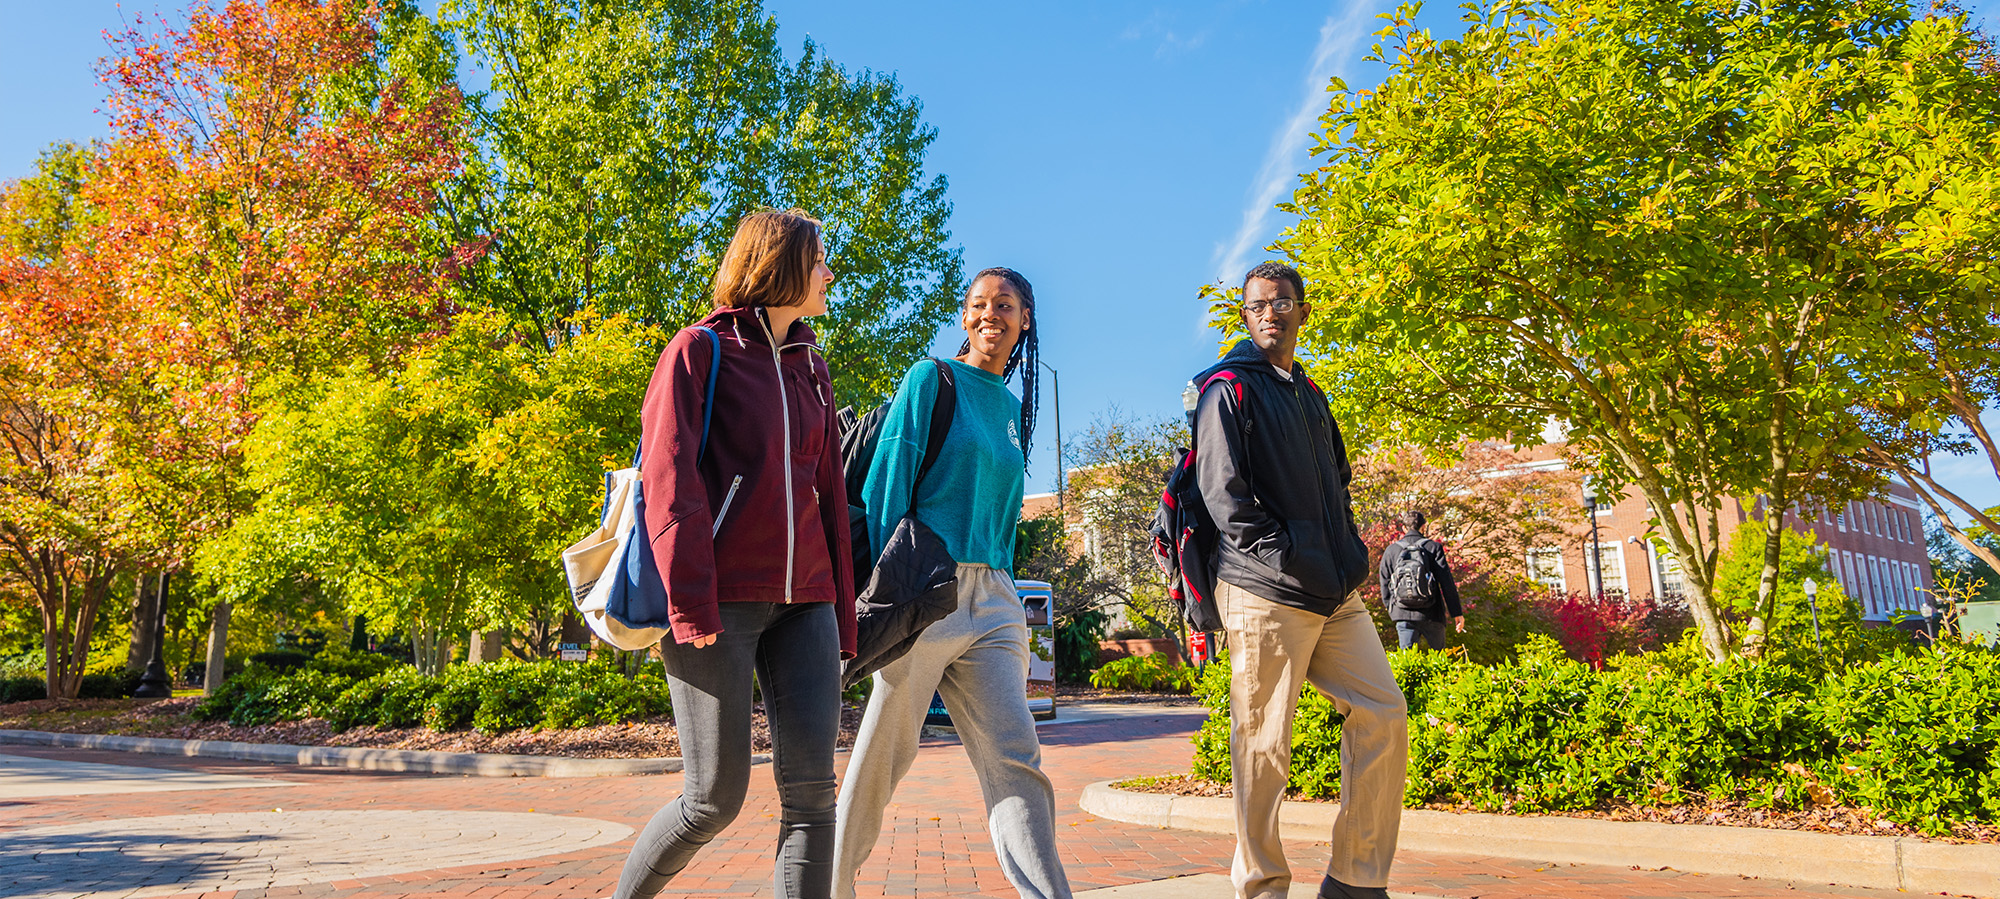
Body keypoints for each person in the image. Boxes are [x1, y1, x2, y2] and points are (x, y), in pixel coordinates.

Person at [616, 208, 857, 899]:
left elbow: (831, 498)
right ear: (778, 265)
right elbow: (669, 483)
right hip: (716, 599)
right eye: (817, 262)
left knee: (813, 797)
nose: (827, 274)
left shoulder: (812, 364)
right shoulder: (698, 350)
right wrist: (689, 601)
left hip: (805, 601)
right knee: (713, 797)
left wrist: (842, 611)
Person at [833, 267, 1071, 899]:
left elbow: (1003, 512)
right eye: (979, 304)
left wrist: (1006, 586)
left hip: (994, 598)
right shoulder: (929, 379)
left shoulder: (1012, 409)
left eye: (1006, 305)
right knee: (884, 757)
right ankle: (829, 887)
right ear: (965, 317)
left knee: (1017, 761)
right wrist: (888, 589)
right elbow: (886, 487)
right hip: (925, 591)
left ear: (1025, 322)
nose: (990, 314)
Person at [1193, 262, 1407, 899]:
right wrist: (1285, 555)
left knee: (1382, 713)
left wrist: (1346, 552)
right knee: (1264, 747)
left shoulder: (1311, 396)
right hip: (1264, 590)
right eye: (1258, 304)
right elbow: (1222, 495)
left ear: (1301, 312)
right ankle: (1261, 887)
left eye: (1282, 302)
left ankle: (1355, 880)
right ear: (1244, 315)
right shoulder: (1227, 389)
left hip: (1332, 591)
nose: (1270, 313)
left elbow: (1336, 484)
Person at [1378, 510, 1464, 651]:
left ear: (1404, 528)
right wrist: (1456, 613)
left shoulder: (1392, 550)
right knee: (1439, 662)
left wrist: (1393, 609)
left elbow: (1384, 583)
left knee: (1407, 663)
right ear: (1423, 527)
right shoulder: (1433, 548)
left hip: (1403, 613)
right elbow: (1446, 583)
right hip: (1432, 613)